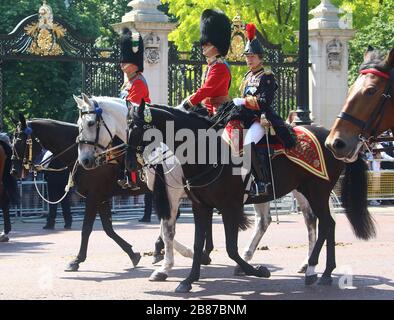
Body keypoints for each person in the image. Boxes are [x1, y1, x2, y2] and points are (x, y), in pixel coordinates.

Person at [223, 23, 295, 195]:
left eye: (252, 56)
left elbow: (264, 101)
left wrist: (244, 101)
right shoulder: (248, 76)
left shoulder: (267, 76)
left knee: (248, 143)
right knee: (229, 140)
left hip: (261, 119)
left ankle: (261, 181)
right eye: (247, 56)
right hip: (246, 117)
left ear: (260, 58)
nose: (249, 59)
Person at [117, 27, 151, 190]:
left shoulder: (138, 82)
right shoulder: (128, 82)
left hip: (140, 121)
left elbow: (131, 106)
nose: (122, 62)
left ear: (135, 63)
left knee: (130, 144)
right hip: (129, 121)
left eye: (126, 60)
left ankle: (133, 177)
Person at [181, 9, 232, 116]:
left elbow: (206, 90)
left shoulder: (220, 67)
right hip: (208, 110)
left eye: (207, 44)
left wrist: (187, 104)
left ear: (216, 44)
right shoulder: (212, 65)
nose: (203, 46)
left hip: (219, 112)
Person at [42, 151, 72, 230]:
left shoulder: (50, 153)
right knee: (65, 202)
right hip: (64, 180)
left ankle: (51, 223)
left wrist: (46, 175)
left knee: (53, 203)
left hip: (53, 180)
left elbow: (43, 165)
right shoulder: (66, 152)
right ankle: (68, 222)